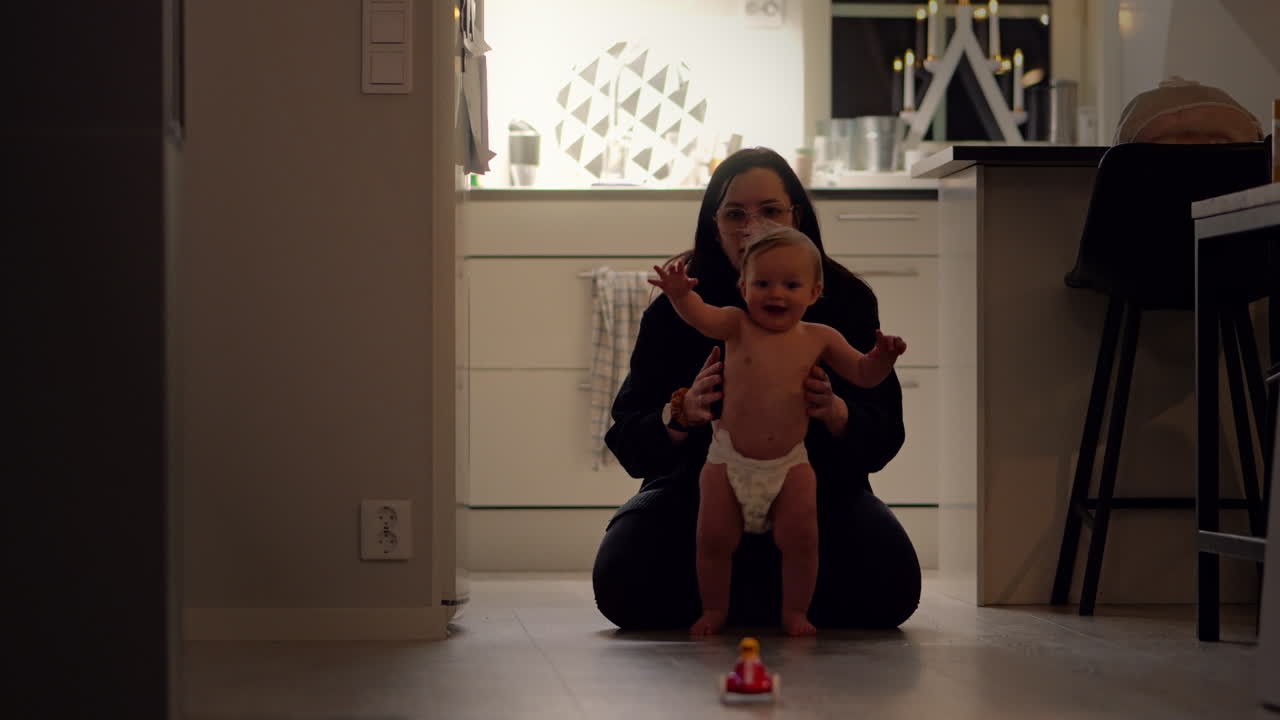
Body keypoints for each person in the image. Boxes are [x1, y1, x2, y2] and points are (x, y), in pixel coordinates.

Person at [592, 146, 921, 632]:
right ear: (713, 223)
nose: (752, 227)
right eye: (734, 214)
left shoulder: (844, 301)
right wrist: (680, 413)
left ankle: (764, 600)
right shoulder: (680, 308)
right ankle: (752, 599)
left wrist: (834, 411)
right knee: (622, 580)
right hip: (695, 494)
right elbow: (628, 441)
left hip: (817, 494)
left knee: (892, 586)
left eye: (770, 211)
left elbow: (885, 432)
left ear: (798, 216)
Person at [647, 226, 907, 635]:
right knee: (713, 540)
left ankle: (795, 614)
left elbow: (861, 373)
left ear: (814, 291)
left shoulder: (820, 337)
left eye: (791, 284)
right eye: (763, 283)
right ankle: (714, 610)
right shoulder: (734, 325)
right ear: (743, 286)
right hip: (727, 460)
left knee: (802, 540)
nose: (776, 294)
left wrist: (882, 358)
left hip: (790, 465)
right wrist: (680, 294)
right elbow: (700, 316)